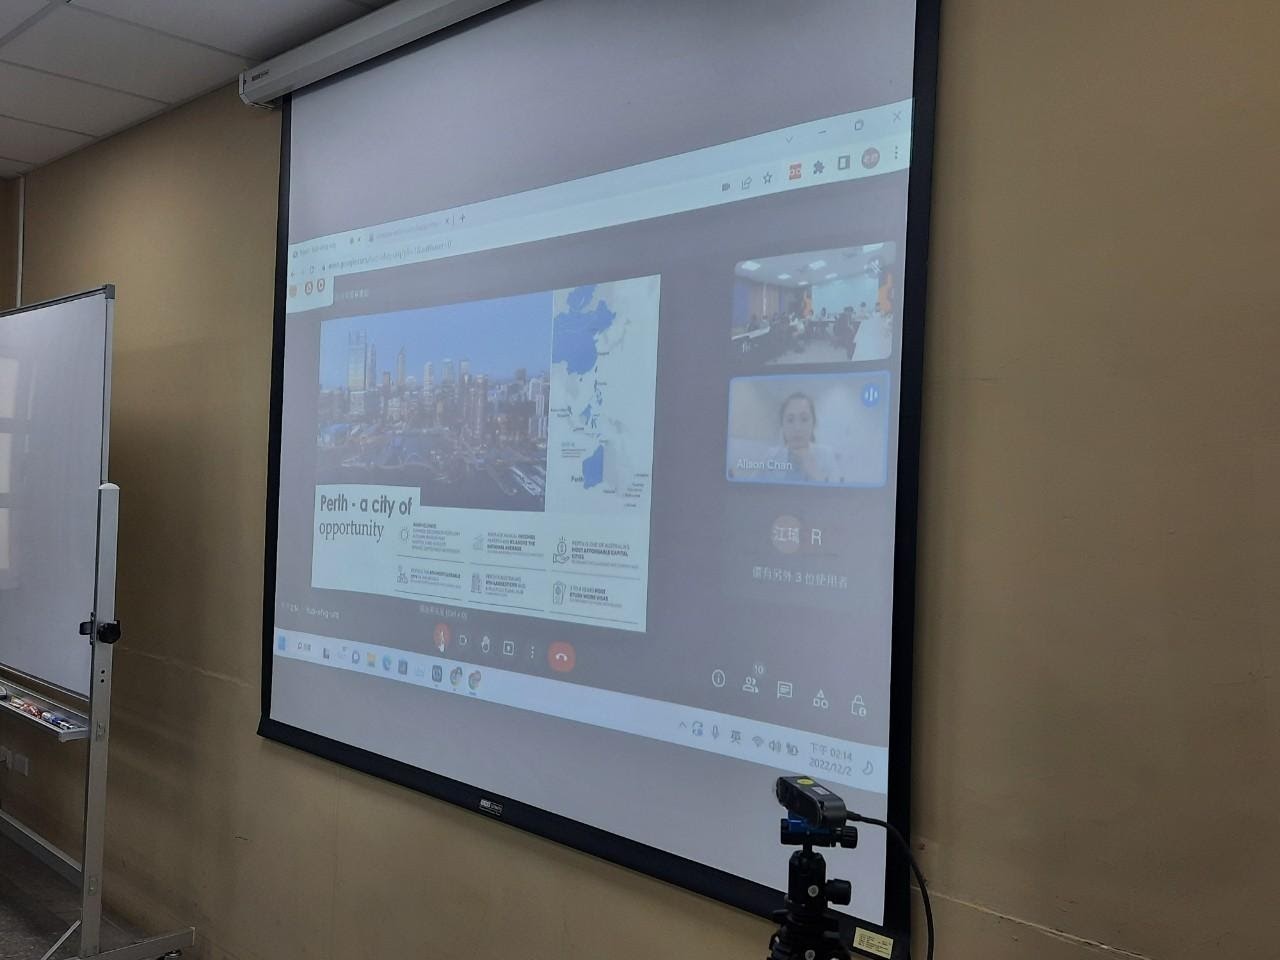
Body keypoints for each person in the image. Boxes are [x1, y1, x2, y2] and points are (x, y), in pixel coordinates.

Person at [768, 392, 840, 482]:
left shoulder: (826, 455)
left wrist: (815, 472)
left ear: (814, 424)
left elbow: (836, 489)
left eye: (804, 419)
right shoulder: (771, 456)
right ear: (782, 425)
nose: (797, 428)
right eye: (790, 420)